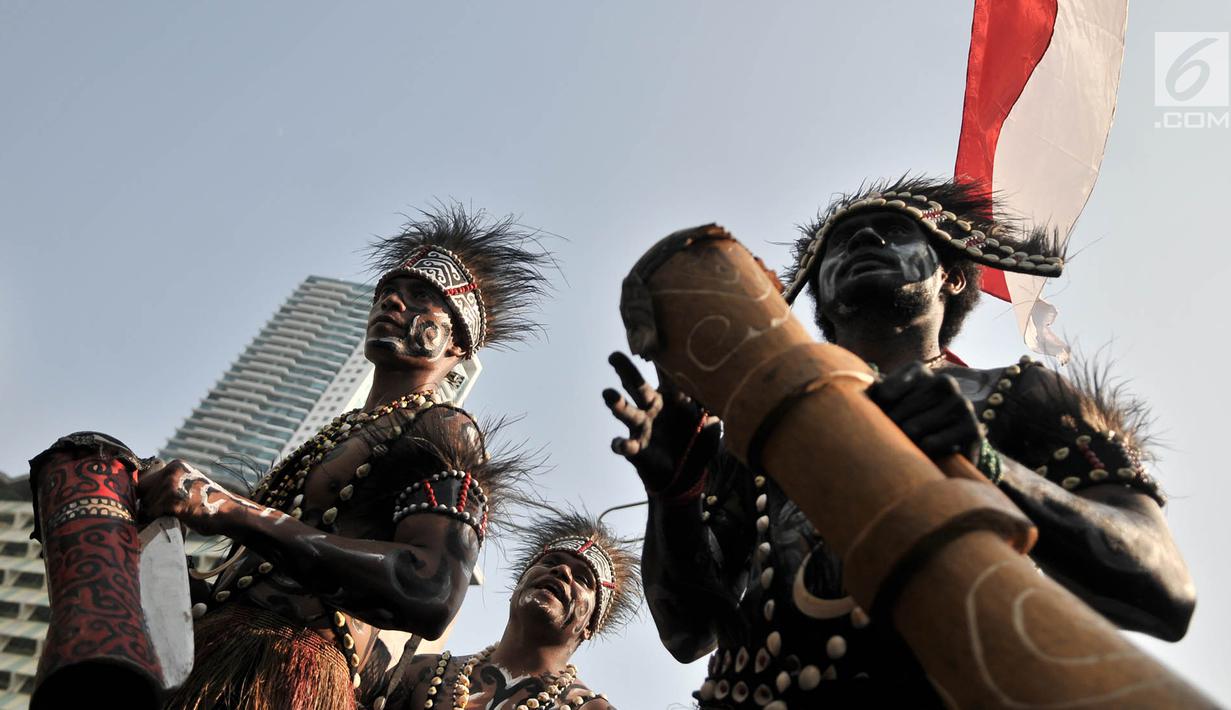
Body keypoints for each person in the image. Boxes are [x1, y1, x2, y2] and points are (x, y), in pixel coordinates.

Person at [603, 176, 1195, 708]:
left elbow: (1163, 587)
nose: (863, 243)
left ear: (952, 274)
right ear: (821, 302)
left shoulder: (1021, 394)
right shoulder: (757, 436)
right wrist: (674, 494)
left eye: (890, 232)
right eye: (842, 243)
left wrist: (988, 466)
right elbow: (688, 633)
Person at [135, 202, 552, 710]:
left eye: (421, 295)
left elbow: (433, 589)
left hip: (293, 672)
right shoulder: (342, 431)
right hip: (215, 657)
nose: (393, 302)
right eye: (387, 292)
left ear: (458, 340)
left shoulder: (445, 429)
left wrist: (232, 511)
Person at [385, 510, 638, 710]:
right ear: (519, 585)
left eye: (583, 579)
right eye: (550, 562)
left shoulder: (591, 708)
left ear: (590, 626)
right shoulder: (422, 675)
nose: (562, 571)